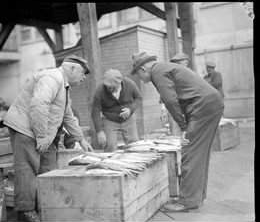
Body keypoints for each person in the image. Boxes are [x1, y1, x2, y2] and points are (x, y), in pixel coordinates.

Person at [130, 50, 224, 212]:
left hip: (203, 107)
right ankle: (195, 197)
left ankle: (187, 202)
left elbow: (170, 100)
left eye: (137, 74)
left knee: (190, 151)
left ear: (143, 69)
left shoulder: (157, 72)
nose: (138, 78)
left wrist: (184, 128)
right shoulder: (163, 68)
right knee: (199, 153)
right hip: (210, 104)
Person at [3, 55, 93, 222]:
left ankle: (43, 205)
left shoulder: (64, 87)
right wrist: (42, 136)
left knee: (49, 169)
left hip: (43, 132)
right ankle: (25, 211)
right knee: (27, 169)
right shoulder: (52, 78)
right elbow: (38, 105)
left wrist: (81, 140)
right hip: (26, 128)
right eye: (82, 73)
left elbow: (68, 116)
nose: (83, 78)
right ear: (71, 68)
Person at [91, 69, 142, 152]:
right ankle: (110, 163)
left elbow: (139, 98)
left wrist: (130, 109)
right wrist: (99, 131)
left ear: (120, 82)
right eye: (109, 88)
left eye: (114, 87)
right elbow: (95, 112)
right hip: (110, 119)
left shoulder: (129, 83)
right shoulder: (100, 90)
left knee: (134, 143)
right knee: (109, 144)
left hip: (128, 118)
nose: (111, 90)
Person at [160, 52, 190, 123]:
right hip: (175, 113)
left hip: (190, 112)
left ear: (186, 63)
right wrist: (163, 109)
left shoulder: (191, 77)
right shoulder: (171, 78)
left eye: (178, 63)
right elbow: (165, 94)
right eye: (174, 64)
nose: (176, 66)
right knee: (175, 133)